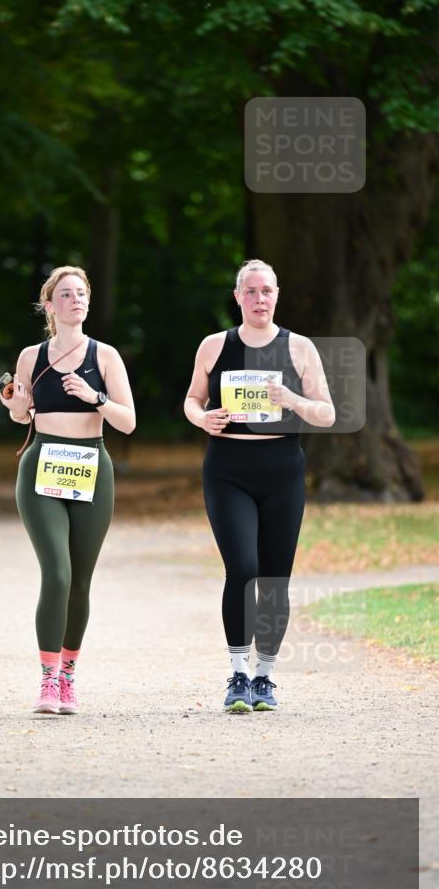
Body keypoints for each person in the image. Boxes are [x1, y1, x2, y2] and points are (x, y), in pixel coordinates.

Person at [184, 259, 335, 713]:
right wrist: (202, 417)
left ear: (277, 294)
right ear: (237, 298)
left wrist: (292, 399)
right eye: (250, 292)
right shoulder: (214, 346)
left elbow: (327, 413)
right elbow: (191, 400)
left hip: (283, 467)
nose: (259, 299)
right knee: (243, 567)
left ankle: (264, 677)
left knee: (274, 580)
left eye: (266, 291)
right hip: (228, 468)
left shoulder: (299, 348)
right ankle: (237, 673)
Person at [1, 266, 135, 715]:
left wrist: (93, 396)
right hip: (42, 465)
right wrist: (15, 404)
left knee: (80, 580)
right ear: (50, 305)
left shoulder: (106, 356)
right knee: (56, 573)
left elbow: (128, 421)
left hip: (91, 465)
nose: (75, 299)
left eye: (82, 293)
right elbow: (22, 416)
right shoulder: (30, 356)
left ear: (88, 302)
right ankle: (46, 680)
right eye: (65, 294)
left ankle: (69, 678)